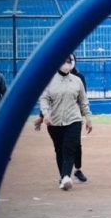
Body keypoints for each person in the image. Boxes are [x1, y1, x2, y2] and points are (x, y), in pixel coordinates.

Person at [39, 55, 93, 190]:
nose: (67, 64)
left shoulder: (77, 80)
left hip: (74, 119)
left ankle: (66, 177)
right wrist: (45, 114)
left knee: (69, 148)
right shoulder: (49, 80)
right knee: (59, 150)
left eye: (69, 62)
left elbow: (83, 101)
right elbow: (44, 99)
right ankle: (64, 176)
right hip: (54, 121)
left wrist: (88, 118)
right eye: (64, 61)